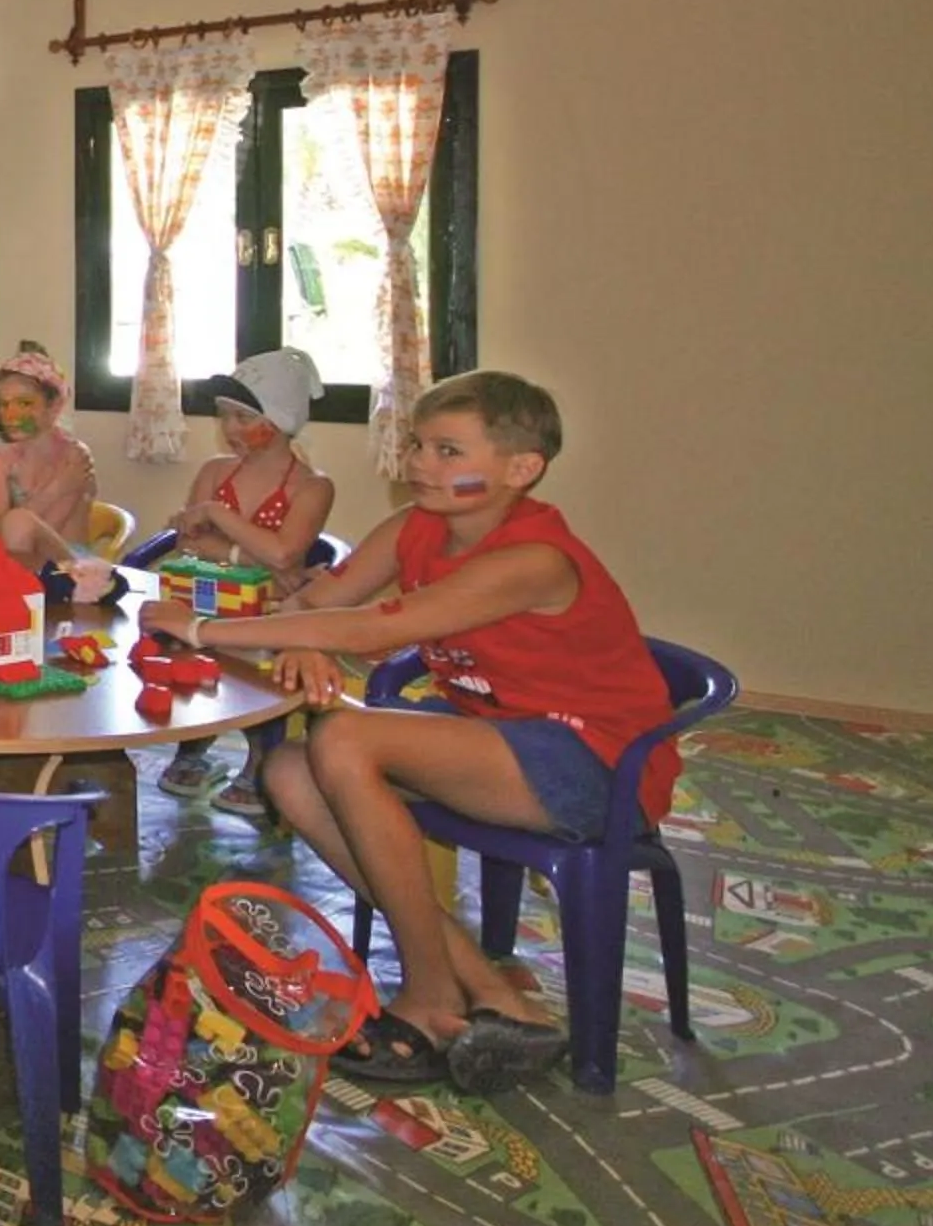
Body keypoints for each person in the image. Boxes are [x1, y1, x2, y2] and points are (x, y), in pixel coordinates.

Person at [140, 370, 679, 1094]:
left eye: (448, 452)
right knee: (289, 771)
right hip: (494, 732)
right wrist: (303, 636)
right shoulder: (416, 527)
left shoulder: (531, 560)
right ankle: (490, 992)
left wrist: (203, 629)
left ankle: (428, 995)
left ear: (522, 469)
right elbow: (325, 600)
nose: (420, 463)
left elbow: (370, 627)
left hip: (594, 767)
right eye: (419, 444)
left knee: (344, 739)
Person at [154, 348, 335, 804]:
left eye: (243, 417)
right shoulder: (214, 471)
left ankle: (259, 761)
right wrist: (255, 556)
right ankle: (192, 745)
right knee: (184, 647)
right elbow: (189, 545)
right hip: (204, 601)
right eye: (224, 417)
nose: (230, 428)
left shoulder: (313, 486)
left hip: (270, 612)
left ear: (281, 419)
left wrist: (216, 514)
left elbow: (284, 552)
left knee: (261, 660)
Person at [0, 344, 101, 573]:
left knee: (17, 522)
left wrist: (18, 523)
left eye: (24, 403)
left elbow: (40, 529)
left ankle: (15, 590)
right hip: (19, 562)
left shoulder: (75, 455)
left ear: (54, 406)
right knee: (15, 524)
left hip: (73, 568)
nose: (10, 415)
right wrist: (57, 488)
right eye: (3, 405)